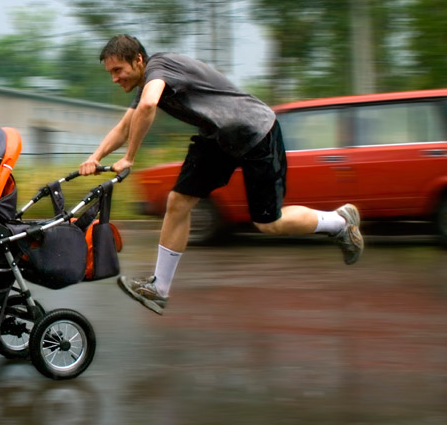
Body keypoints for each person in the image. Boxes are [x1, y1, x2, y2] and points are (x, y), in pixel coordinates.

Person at [79, 34, 364, 315]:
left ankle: (339, 222)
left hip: (255, 131)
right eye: (111, 73)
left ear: (138, 60)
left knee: (268, 223)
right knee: (178, 201)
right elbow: (125, 126)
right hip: (219, 137)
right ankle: (159, 289)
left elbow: (149, 106)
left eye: (118, 70)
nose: (115, 79)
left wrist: (129, 157)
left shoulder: (160, 67)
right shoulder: (147, 85)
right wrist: (95, 157)